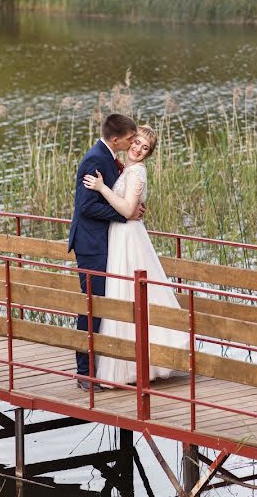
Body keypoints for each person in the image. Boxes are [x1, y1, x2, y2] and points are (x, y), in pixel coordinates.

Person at [82, 124, 189, 386]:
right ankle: (127, 362)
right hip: (121, 236)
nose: (139, 149)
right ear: (129, 141)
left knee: (130, 292)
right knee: (124, 293)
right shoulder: (126, 169)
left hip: (128, 236)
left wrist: (102, 187)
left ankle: (137, 361)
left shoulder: (137, 173)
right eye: (137, 142)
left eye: (145, 148)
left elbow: (129, 209)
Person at [68, 113, 143, 391]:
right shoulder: (95, 159)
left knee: (102, 304)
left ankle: (101, 364)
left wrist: (131, 209)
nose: (132, 142)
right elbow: (86, 206)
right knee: (92, 306)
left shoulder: (107, 156)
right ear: (115, 139)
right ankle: (84, 372)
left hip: (104, 242)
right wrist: (124, 214)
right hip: (91, 245)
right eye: (129, 139)